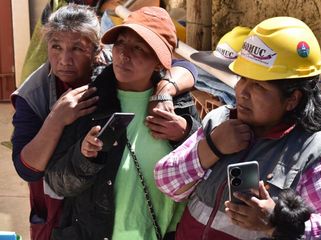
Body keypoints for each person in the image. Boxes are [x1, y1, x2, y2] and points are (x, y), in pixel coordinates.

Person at [154, 17, 321, 239]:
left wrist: (276, 222)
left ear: (292, 98)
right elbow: (166, 182)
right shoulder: (220, 121)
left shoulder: (313, 150)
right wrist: (211, 147)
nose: (242, 91)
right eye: (242, 78)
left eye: (258, 86)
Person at [11, 4, 197, 240]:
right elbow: (33, 171)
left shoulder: (173, 99)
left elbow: (184, 66)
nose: (65, 60)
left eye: (77, 48)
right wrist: (59, 123)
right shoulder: (63, 97)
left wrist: (181, 123)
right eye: (56, 46)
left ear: (97, 51)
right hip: (69, 216)